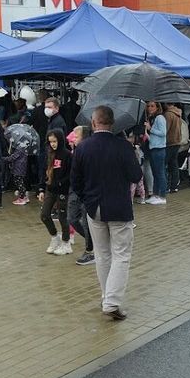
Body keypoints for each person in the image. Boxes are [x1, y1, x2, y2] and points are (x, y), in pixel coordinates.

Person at [71, 105, 143, 320]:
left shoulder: (83, 148)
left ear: (93, 123)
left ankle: (107, 297)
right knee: (121, 255)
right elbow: (135, 176)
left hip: (94, 208)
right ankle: (111, 302)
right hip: (119, 206)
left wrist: (88, 199)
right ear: (112, 123)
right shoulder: (123, 146)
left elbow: (76, 181)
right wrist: (134, 154)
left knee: (103, 255)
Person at [39, 129, 72, 255]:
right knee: (44, 214)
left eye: (55, 141)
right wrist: (41, 189)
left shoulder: (67, 155)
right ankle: (54, 237)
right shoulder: (48, 154)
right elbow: (44, 172)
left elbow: (71, 174)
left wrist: (61, 183)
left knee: (63, 217)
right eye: (50, 142)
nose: (53, 144)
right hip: (50, 190)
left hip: (62, 190)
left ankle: (66, 243)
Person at [66, 126, 95, 265]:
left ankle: (90, 250)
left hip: (86, 191)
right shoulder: (75, 151)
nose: (73, 139)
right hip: (75, 190)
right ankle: (94, 241)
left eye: (76, 137)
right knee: (72, 218)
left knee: (86, 219)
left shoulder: (90, 152)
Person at [144, 101, 168, 203]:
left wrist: (151, 129)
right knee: (155, 173)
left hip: (159, 149)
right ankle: (155, 194)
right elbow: (154, 137)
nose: (150, 108)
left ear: (157, 107)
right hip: (153, 147)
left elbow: (163, 133)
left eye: (152, 106)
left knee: (160, 172)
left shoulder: (160, 118)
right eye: (148, 106)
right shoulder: (152, 118)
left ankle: (162, 196)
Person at [4, 130, 31, 205]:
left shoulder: (20, 148)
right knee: (21, 182)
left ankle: (22, 198)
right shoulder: (24, 147)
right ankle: (24, 196)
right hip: (21, 167)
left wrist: (4, 159)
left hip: (18, 168)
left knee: (19, 183)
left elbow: (13, 157)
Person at [164, 102, 184, 194]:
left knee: (165, 165)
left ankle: (166, 186)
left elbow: (165, 129)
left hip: (169, 142)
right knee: (174, 164)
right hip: (177, 141)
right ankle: (174, 185)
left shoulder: (168, 114)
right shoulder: (178, 113)